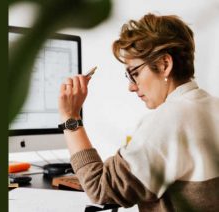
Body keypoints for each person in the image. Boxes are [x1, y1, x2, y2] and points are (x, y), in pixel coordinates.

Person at [58, 13, 219, 211]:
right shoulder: (213, 106)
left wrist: (71, 118)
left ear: (164, 65)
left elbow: (100, 189)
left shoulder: (169, 121)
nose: (131, 87)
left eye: (134, 74)